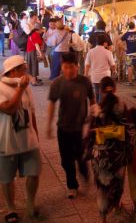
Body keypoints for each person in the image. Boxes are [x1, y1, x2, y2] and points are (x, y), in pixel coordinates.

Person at [85, 77, 134, 223]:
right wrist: (129, 152)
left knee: (102, 186)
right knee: (117, 184)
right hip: (117, 156)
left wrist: (88, 151)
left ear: (100, 90)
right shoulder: (122, 106)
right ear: (115, 88)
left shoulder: (95, 109)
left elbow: (90, 134)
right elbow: (129, 131)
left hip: (100, 156)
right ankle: (116, 205)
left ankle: (103, 216)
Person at [47, 52, 95, 199]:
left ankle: (85, 175)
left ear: (77, 66)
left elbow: (92, 100)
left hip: (80, 128)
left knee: (81, 157)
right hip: (63, 127)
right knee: (66, 160)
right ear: (62, 67)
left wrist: (93, 120)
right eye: (65, 67)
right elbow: (51, 104)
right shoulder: (57, 83)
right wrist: (48, 125)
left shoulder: (85, 82)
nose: (68, 70)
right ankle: (72, 185)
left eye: (71, 67)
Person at [0, 56, 41, 223]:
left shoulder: (25, 87)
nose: (27, 71)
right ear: (14, 71)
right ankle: (11, 209)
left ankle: (31, 203)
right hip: (7, 141)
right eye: (24, 69)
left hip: (28, 140)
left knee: (34, 172)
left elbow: (31, 112)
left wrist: (36, 136)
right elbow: (9, 109)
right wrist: (20, 88)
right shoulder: (1, 88)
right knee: (7, 177)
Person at [85, 34, 116, 102]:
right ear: (105, 43)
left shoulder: (90, 52)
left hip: (95, 76)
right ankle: (100, 108)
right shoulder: (108, 52)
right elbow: (112, 65)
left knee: (96, 93)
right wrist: (114, 71)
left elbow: (87, 65)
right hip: (105, 77)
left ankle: (98, 107)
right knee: (103, 94)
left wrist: (86, 75)